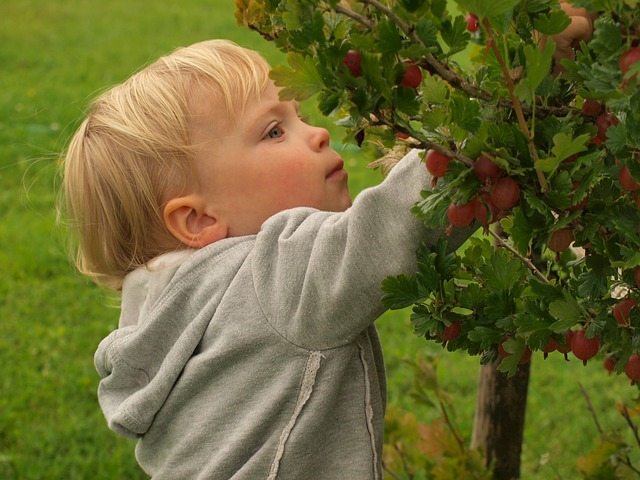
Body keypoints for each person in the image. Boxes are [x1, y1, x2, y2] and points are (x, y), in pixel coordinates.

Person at [62, 39, 470, 479]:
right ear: (197, 220)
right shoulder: (271, 278)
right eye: (274, 131)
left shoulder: (164, 322)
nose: (319, 134)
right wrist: (494, 123)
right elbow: (396, 226)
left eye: (302, 118)